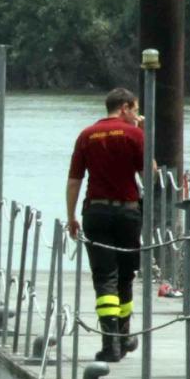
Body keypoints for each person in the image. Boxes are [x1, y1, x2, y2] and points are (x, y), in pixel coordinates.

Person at [66, 88, 145, 363]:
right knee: (126, 275)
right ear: (125, 107)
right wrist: (143, 133)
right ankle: (123, 336)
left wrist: (71, 216)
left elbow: (74, 180)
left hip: (96, 212)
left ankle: (110, 344)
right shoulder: (135, 134)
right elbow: (150, 174)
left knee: (104, 277)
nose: (136, 115)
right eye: (135, 110)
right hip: (128, 213)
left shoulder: (86, 135)